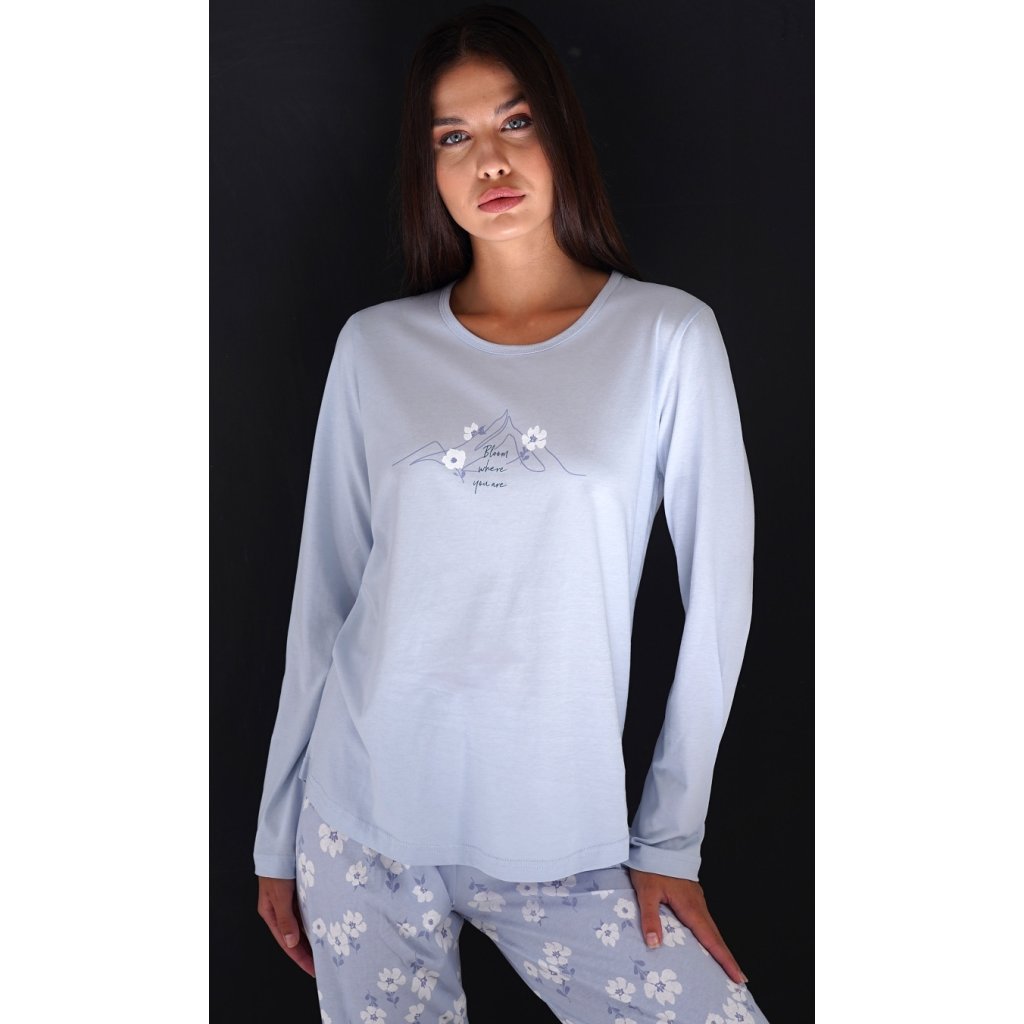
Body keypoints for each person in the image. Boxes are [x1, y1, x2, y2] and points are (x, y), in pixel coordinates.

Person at [253, 5, 767, 1022]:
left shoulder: (666, 338)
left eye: (514, 121)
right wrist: (277, 836)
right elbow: (326, 602)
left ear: (560, 133)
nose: (488, 158)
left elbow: (719, 604)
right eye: (453, 136)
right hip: (361, 824)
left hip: (566, 840)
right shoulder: (375, 348)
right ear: (429, 170)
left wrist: (670, 840)